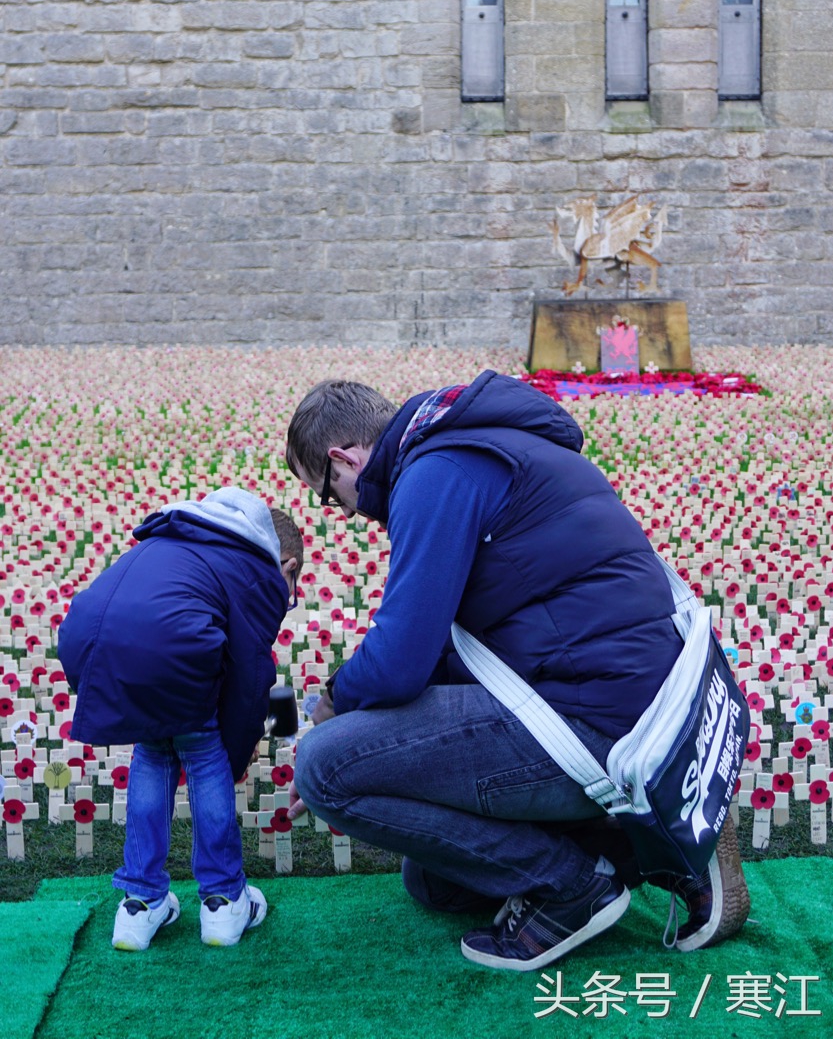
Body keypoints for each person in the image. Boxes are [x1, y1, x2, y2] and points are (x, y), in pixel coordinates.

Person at [285, 371, 749, 971]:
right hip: (649, 704)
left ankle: (571, 888)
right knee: (436, 882)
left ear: (342, 458)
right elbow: (463, 647)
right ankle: (654, 845)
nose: (342, 511)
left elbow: (402, 660)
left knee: (326, 768)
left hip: (597, 720)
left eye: (328, 494)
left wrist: (330, 708)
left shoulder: (435, 473)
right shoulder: (492, 439)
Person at [58, 487, 302, 952]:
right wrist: (242, 740)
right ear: (287, 565)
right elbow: (250, 673)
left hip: (88, 639)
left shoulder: (175, 538)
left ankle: (140, 903)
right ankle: (223, 900)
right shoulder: (259, 569)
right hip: (172, 650)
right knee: (203, 751)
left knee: (154, 749)